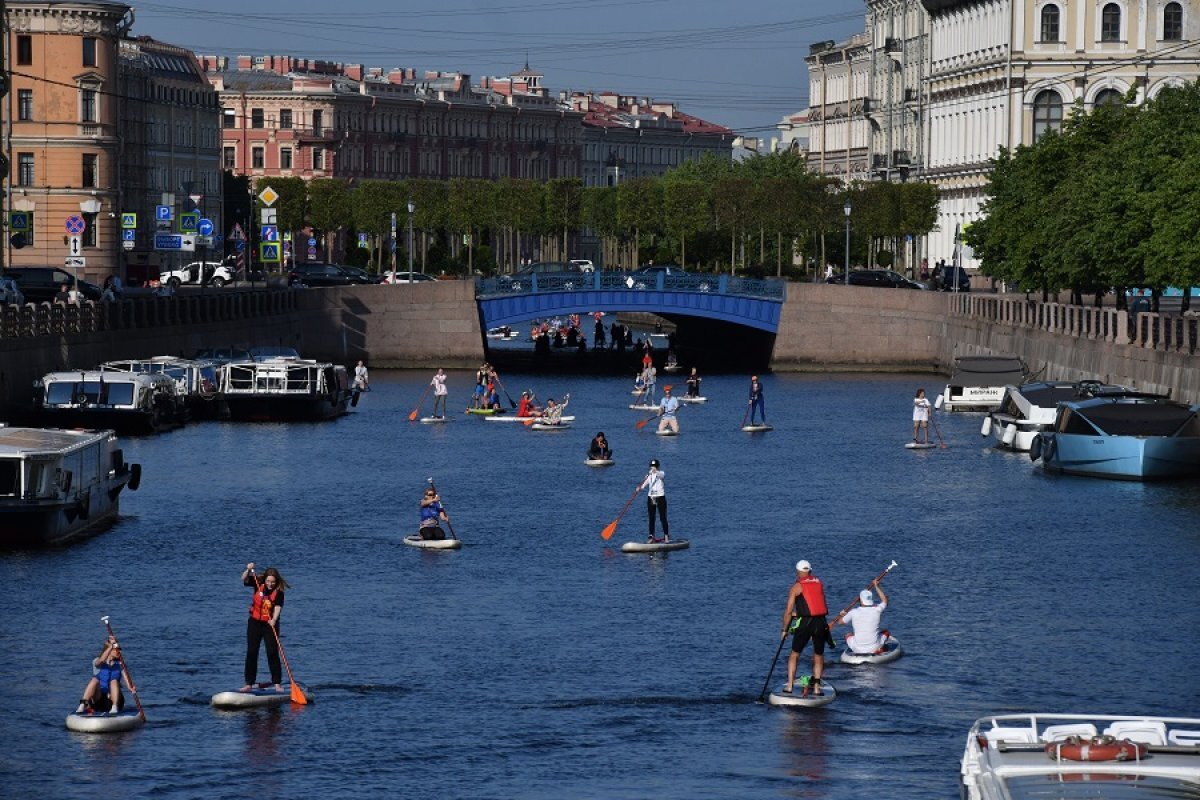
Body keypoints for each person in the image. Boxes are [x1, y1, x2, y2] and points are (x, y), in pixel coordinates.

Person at [780, 560, 829, 696]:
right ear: (810, 571)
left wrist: (784, 630)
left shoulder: (796, 586)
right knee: (818, 655)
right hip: (820, 622)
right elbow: (813, 603)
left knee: (794, 654)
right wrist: (800, 613)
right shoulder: (819, 582)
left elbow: (788, 611)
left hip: (805, 623)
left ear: (797, 571)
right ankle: (817, 689)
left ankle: (789, 687)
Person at [241, 563, 288, 693]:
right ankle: (249, 683)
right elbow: (244, 579)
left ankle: (277, 683)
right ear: (265, 579)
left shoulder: (279, 592)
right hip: (254, 623)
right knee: (252, 652)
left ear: (276, 581)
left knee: (272, 652)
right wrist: (248, 570)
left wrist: (273, 619)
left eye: (272, 582)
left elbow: (278, 607)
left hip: (270, 624)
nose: (270, 584)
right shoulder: (258, 583)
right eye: (268, 581)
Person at [75, 637, 128, 715]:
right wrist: (111, 646)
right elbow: (101, 661)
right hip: (99, 697)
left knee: (114, 681)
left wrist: (132, 688)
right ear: (109, 651)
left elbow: (127, 680)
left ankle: (114, 706)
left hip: (113, 698)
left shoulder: (121, 664)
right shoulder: (97, 661)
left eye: (119, 649)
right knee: (94, 680)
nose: (119, 651)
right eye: (116, 649)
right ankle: (83, 704)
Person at [835, 583, 890, 655]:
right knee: (886, 632)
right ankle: (879, 649)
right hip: (874, 647)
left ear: (861, 600)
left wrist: (841, 614)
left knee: (847, 635)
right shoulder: (877, 609)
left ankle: (856, 649)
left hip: (857, 648)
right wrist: (876, 586)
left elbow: (840, 622)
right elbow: (885, 601)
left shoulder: (853, 612)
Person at [640, 459, 668, 543]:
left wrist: (655, 471)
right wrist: (640, 488)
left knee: (662, 517)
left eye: (655, 466)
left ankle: (666, 536)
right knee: (651, 518)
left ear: (658, 466)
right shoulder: (649, 475)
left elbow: (661, 475)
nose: (653, 468)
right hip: (651, 497)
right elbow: (645, 484)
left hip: (660, 497)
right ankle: (651, 536)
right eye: (652, 466)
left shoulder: (661, 473)